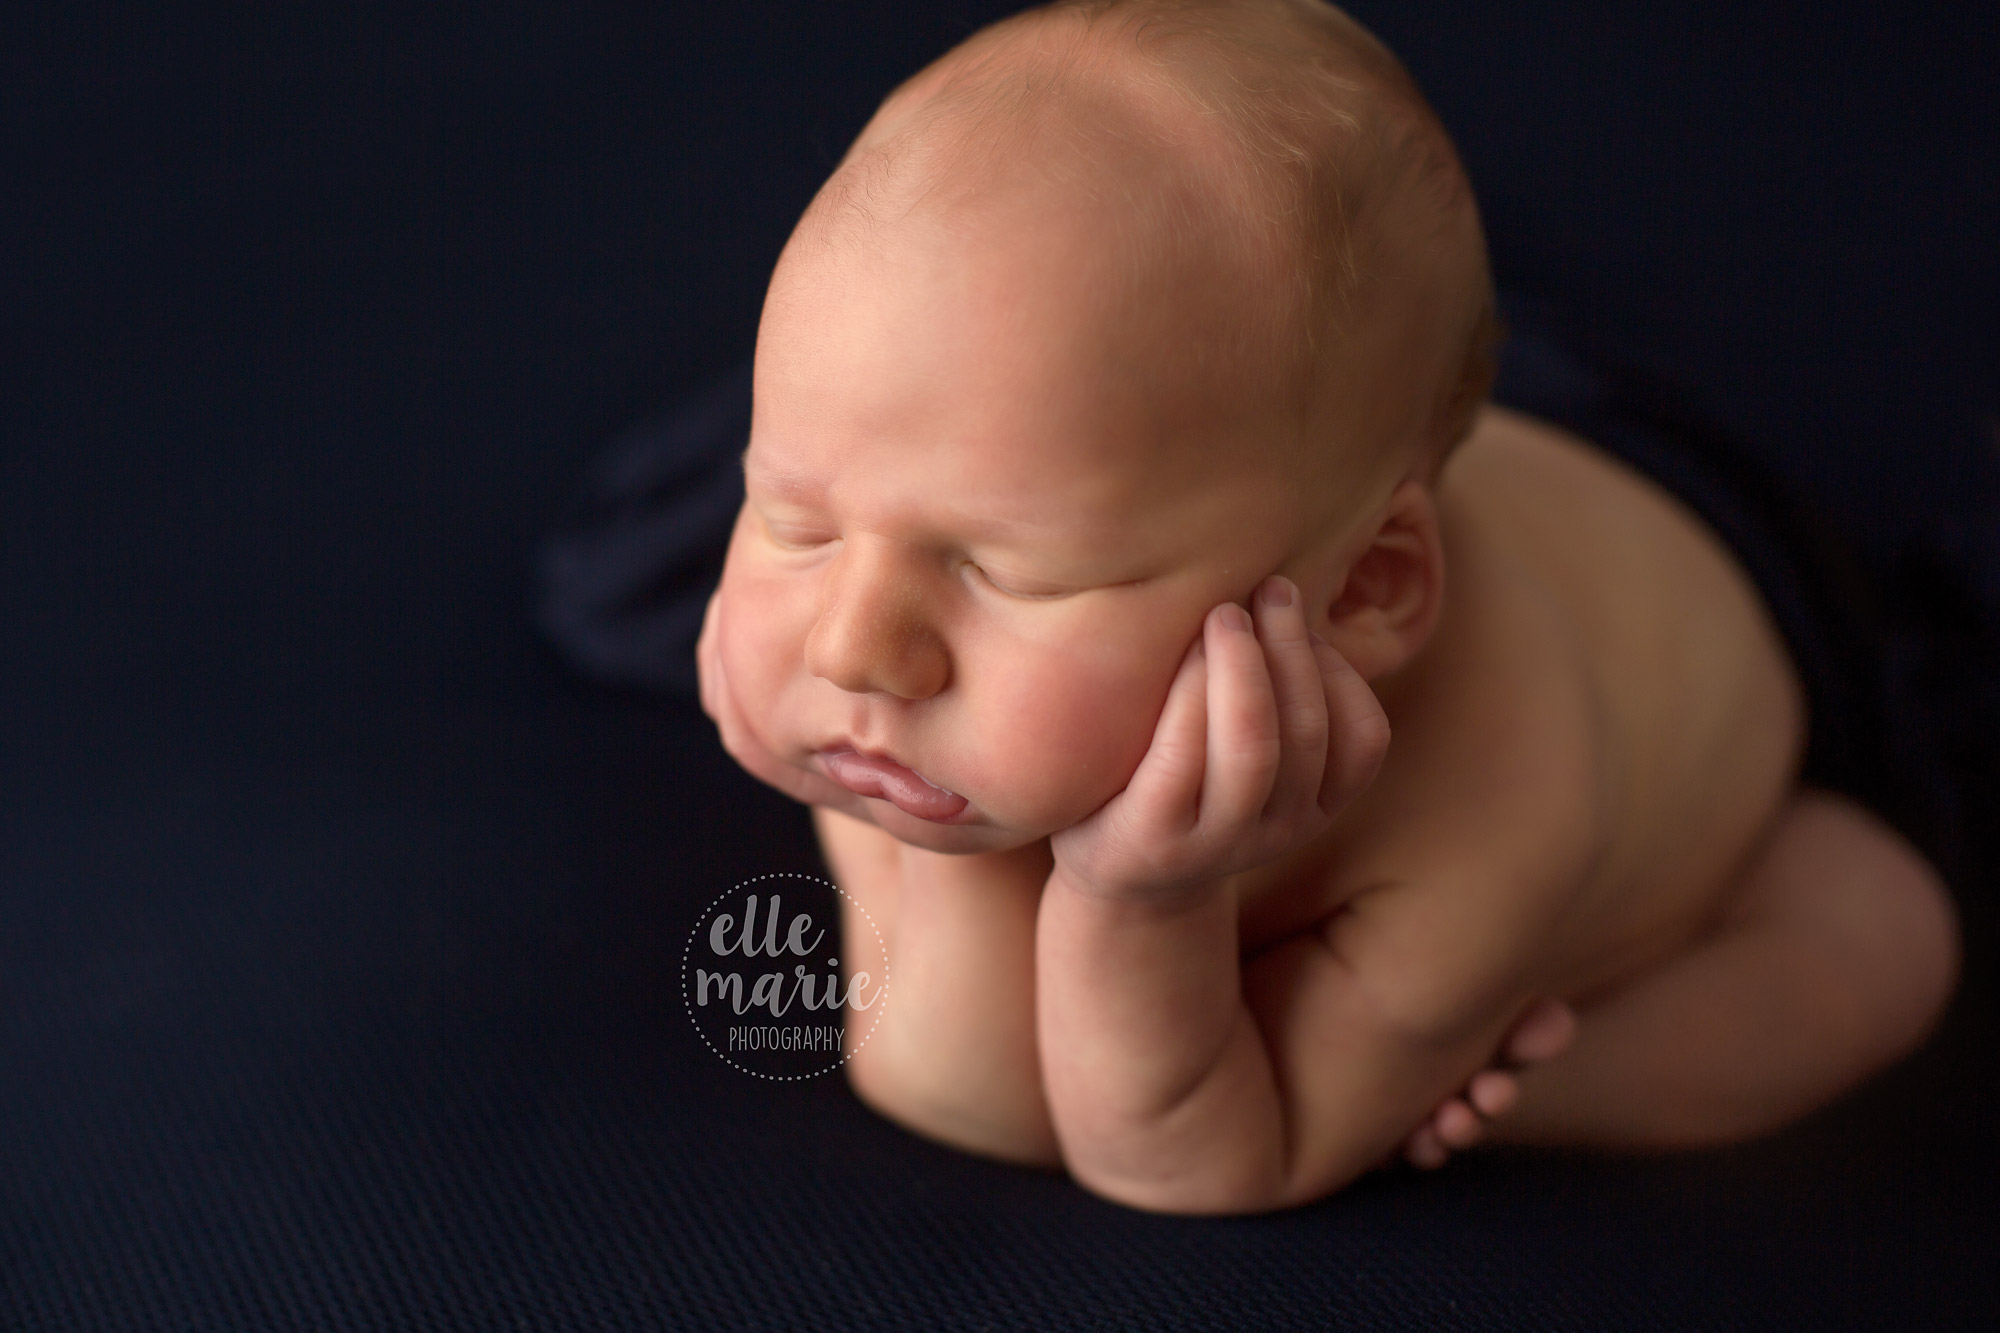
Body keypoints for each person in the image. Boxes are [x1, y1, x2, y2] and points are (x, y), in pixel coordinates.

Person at [691, 0, 1960, 1214]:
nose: (852, 645)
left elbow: (1191, 1161)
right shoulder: (903, 669)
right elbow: (964, 1095)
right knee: (1283, 388)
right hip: (1341, 463)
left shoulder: (1494, 807)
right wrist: (914, 830)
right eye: (793, 521)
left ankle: (1524, 1089)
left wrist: (1142, 906)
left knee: (1884, 939)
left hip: (1725, 570)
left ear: (1362, 592)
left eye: (1005, 571)